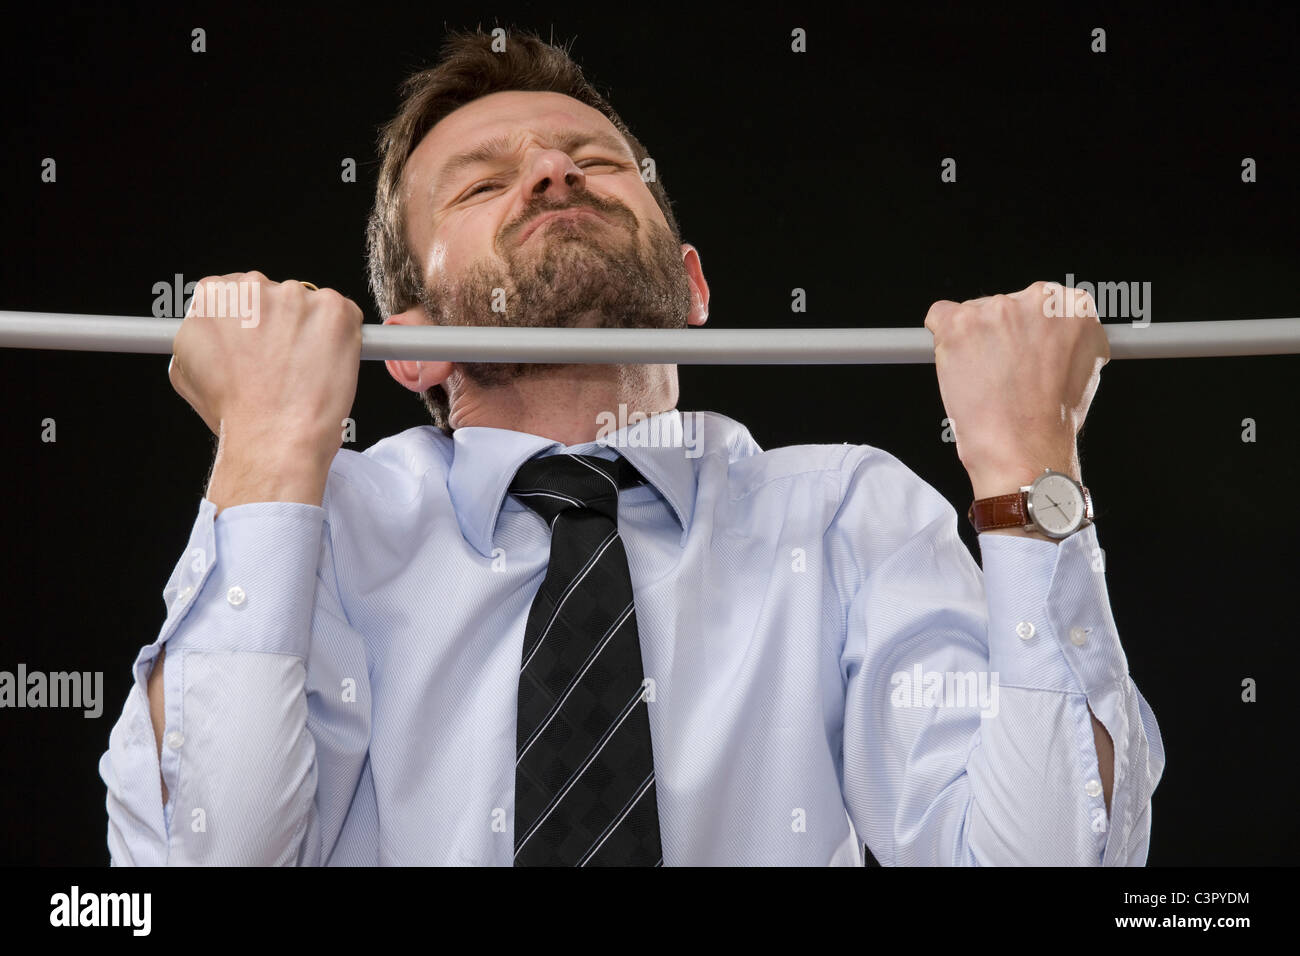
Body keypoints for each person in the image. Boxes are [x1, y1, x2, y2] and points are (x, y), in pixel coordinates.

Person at [99, 28, 1164, 865]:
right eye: (483, 182)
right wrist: (266, 451)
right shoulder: (320, 522)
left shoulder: (845, 514)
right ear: (411, 350)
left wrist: (1030, 471)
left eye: (599, 161)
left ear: (691, 287)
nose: (555, 175)